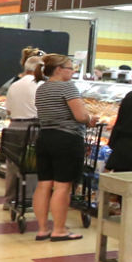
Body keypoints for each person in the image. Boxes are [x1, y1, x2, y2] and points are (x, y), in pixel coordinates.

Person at [32, 53, 90, 241]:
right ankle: (59, 230)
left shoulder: (42, 88)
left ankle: (42, 229)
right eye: (70, 68)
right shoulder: (67, 87)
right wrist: (91, 119)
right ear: (58, 69)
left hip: (45, 137)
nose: (73, 72)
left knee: (43, 185)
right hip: (66, 139)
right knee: (62, 186)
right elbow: (81, 116)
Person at [0, 55, 41, 211]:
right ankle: (27, 200)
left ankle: (9, 200)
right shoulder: (40, 84)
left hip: (14, 127)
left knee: (13, 165)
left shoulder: (14, 85)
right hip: (32, 128)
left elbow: (8, 109)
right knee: (31, 164)